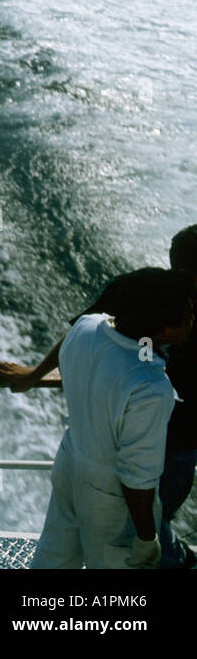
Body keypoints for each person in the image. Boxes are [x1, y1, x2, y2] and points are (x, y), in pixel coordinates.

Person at [0, 268, 194, 568]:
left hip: (71, 460)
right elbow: (137, 477)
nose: (193, 317)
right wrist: (147, 537)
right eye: (188, 313)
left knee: (55, 554)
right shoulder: (150, 388)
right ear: (166, 331)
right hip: (109, 497)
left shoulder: (87, 326)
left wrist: (33, 375)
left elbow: (78, 335)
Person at [158, 226, 197, 567]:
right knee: (159, 510)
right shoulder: (177, 315)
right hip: (176, 442)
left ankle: (170, 556)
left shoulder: (157, 308)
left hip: (161, 435)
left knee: (155, 511)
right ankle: (169, 559)